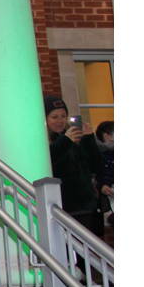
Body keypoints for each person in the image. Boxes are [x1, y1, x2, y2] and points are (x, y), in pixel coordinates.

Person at [44, 96, 103, 238]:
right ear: (45, 119)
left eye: (63, 116)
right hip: (64, 206)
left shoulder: (75, 138)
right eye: (54, 117)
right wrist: (65, 141)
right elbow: (50, 162)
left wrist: (89, 139)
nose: (60, 121)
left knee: (90, 250)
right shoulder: (45, 141)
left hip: (87, 206)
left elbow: (96, 165)